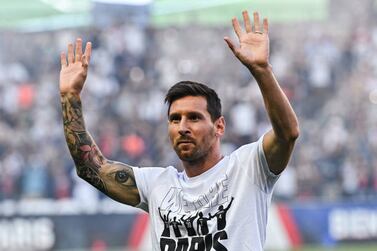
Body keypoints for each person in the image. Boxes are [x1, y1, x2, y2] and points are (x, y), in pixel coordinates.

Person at [60, 10, 299, 251]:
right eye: (175, 119)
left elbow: (287, 134)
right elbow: (90, 166)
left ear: (219, 126)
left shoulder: (248, 168)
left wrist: (262, 70)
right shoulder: (157, 185)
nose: (182, 127)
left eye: (194, 118)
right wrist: (70, 97)